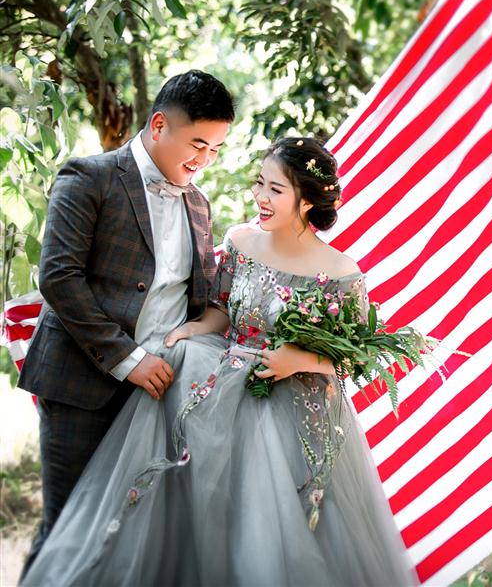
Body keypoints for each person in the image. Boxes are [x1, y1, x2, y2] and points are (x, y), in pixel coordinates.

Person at [20, 137, 420, 586]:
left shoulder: (342, 271)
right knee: (210, 516)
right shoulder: (241, 240)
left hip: (295, 413)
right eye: (259, 184)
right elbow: (222, 309)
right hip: (226, 396)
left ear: (307, 202)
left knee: (277, 528)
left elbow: (353, 359)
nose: (260, 198)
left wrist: (298, 358)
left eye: (275, 190)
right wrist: (192, 329)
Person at [16, 70, 235, 579]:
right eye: (198, 144)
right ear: (159, 125)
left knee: (129, 536)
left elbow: (196, 300)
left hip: (156, 398)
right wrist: (129, 359)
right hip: (81, 387)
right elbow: (59, 276)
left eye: (217, 150)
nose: (205, 160)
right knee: (68, 531)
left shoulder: (199, 205)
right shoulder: (88, 178)